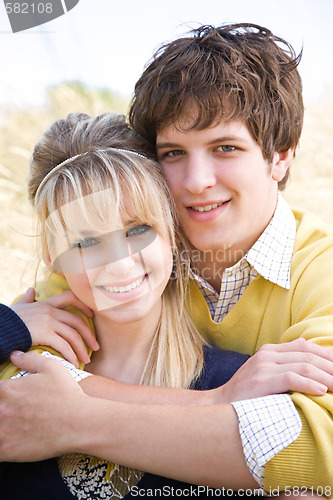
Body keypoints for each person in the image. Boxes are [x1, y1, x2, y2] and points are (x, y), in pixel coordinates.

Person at [1, 22, 333, 496]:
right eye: (174, 153)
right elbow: (25, 380)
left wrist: (76, 419)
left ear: (279, 156)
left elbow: (315, 447)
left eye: (226, 148)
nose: (196, 181)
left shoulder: (321, 271)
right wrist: (15, 324)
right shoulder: (125, 251)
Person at [0, 111, 254, 498]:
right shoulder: (15, 371)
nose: (119, 265)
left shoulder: (237, 384)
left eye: (137, 230)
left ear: (172, 231)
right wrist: (8, 327)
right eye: (85, 243)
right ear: (50, 256)